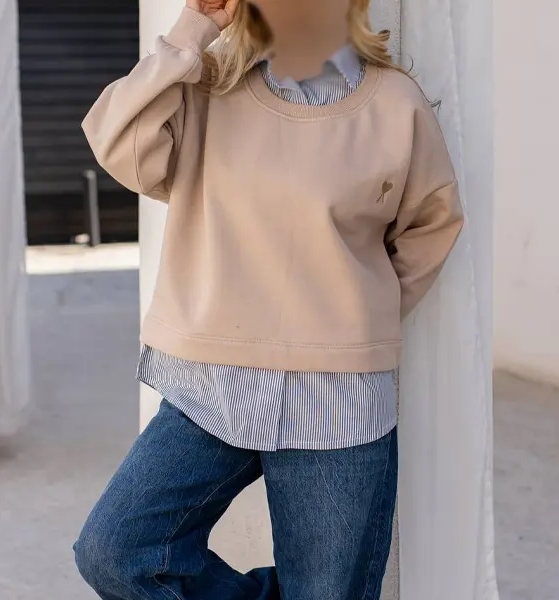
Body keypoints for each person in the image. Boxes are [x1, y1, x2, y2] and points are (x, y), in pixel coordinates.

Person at [73, 0, 463, 598]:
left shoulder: (396, 104)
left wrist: (358, 318)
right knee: (117, 552)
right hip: (213, 386)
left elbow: (431, 225)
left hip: (338, 400)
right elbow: (115, 140)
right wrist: (194, 28)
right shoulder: (206, 89)